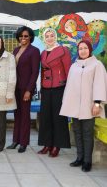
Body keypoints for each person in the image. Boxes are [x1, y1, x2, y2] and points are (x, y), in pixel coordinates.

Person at [60, 40, 107, 172]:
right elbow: (69, 87)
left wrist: (97, 104)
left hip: (89, 106)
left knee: (87, 133)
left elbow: (100, 84)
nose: (83, 51)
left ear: (90, 49)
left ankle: (87, 161)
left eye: (85, 48)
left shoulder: (97, 65)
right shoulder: (74, 66)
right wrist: (67, 104)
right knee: (77, 132)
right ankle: (79, 158)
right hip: (75, 107)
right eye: (80, 49)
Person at [37, 28, 71, 157]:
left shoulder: (63, 50)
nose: (50, 38)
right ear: (44, 39)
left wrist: (69, 88)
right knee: (46, 117)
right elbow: (43, 71)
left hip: (59, 87)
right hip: (46, 88)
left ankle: (57, 145)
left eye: (52, 36)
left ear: (55, 37)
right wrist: (40, 87)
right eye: (47, 36)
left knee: (58, 117)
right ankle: (47, 144)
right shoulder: (43, 53)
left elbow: (68, 70)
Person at [6, 26, 40, 153]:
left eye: (26, 36)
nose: (23, 38)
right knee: (17, 115)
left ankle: (24, 143)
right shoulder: (15, 50)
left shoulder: (34, 51)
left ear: (30, 37)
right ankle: (15, 141)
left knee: (25, 116)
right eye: (21, 36)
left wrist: (28, 90)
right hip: (15, 87)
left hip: (26, 88)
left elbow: (35, 72)